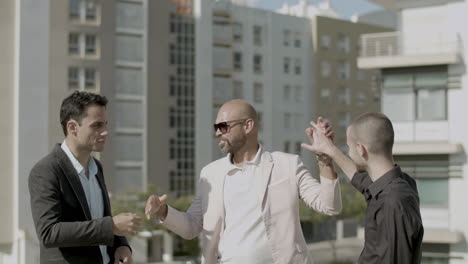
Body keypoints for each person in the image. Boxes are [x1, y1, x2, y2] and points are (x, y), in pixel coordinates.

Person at [145, 99, 342, 264]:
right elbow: (191, 227)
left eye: (223, 127)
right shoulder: (210, 174)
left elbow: (329, 206)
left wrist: (325, 160)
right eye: (216, 128)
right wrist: (163, 211)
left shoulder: (287, 165)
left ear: (248, 125)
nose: (217, 133)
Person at [29, 91, 142, 264]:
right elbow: (49, 233)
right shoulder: (46, 170)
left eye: (105, 124)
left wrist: (121, 244)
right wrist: (111, 226)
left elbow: (101, 217)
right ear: (72, 127)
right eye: (97, 125)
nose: (105, 132)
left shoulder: (97, 167)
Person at [302, 112, 424, 264]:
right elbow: (361, 180)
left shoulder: (393, 200)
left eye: (348, 147)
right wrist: (330, 150)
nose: (349, 152)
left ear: (361, 149)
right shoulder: (399, 184)